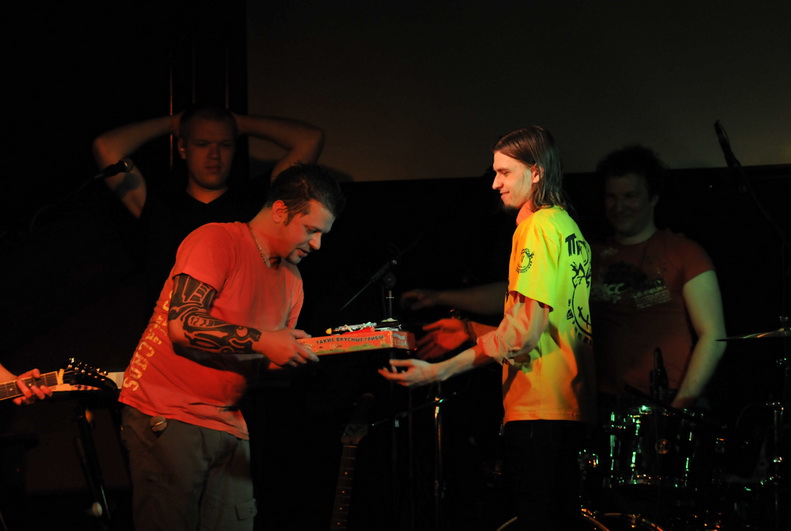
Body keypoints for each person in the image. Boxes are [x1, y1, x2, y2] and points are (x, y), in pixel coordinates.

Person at [381, 126, 595, 531]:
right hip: (567, 403)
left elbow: (522, 335)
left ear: (536, 172)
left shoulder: (535, 228)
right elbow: (544, 326)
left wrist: (439, 369)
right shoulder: (567, 226)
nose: (495, 183)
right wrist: (471, 330)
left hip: (538, 408)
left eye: (504, 172)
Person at [116, 163, 346, 531]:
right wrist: (266, 340)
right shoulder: (217, 240)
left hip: (229, 421)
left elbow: (261, 362)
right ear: (281, 211)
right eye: (311, 230)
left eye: (322, 234)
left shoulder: (292, 280)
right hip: (168, 411)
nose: (317, 244)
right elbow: (183, 324)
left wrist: (302, 355)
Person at [92, 105, 325, 310]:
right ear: (183, 147)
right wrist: (174, 123)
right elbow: (105, 147)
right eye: (202, 144)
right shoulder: (159, 204)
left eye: (225, 145)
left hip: (237, 338)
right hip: (168, 339)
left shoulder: (257, 204)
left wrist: (238, 123)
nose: (214, 155)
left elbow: (310, 139)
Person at [590, 145, 726, 411]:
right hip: (603, 403)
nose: (619, 207)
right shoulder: (588, 255)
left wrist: (681, 406)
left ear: (653, 198)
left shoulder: (684, 252)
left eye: (630, 196)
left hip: (667, 399)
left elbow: (714, 335)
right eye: (611, 197)